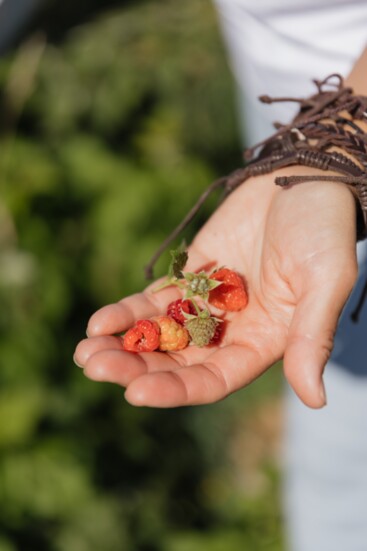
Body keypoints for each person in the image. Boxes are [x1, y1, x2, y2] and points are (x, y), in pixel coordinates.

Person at [74, 2, 367, 549]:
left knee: (351, 448)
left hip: (345, 118)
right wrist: (306, 148)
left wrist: (337, 141)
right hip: (287, 98)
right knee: (328, 469)